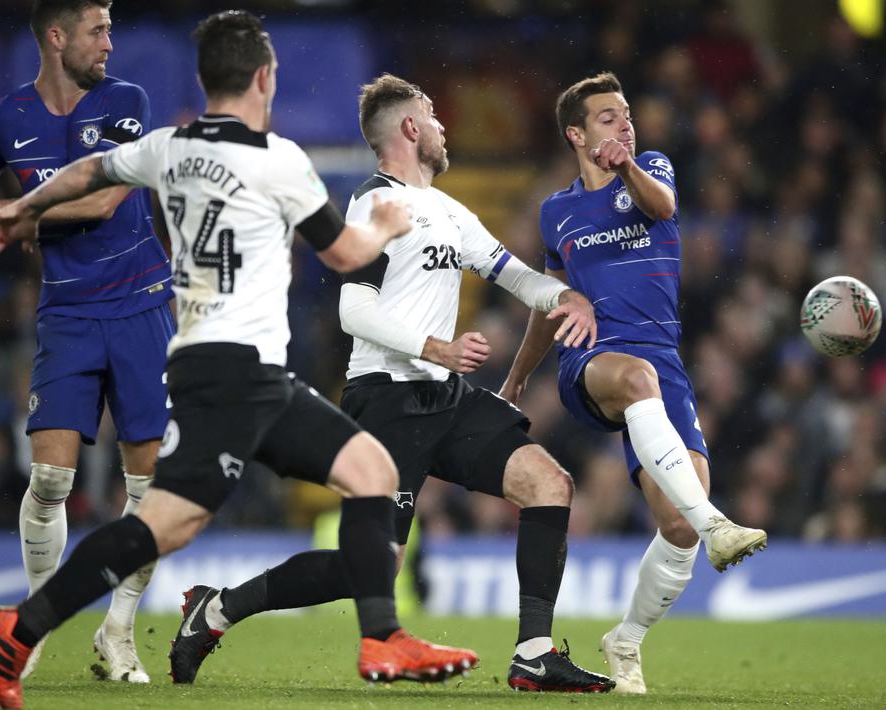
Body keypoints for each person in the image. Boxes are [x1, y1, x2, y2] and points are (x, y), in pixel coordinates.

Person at [0, 12, 477, 709]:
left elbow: (88, 170)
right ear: (264, 78)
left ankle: (17, 629)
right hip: (244, 373)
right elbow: (344, 256)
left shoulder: (169, 146)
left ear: (207, 79)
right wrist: (384, 224)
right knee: (364, 475)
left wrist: (17, 208)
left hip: (207, 366)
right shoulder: (279, 160)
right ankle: (381, 635)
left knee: (170, 523)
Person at [165, 74, 613, 693]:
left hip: (444, 395)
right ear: (410, 128)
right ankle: (216, 609)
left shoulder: (453, 212)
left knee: (548, 482)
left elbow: (518, 278)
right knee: (371, 567)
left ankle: (534, 652)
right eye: (433, 114)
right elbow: (353, 309)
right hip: (388, 397)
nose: (443, 126)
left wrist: (567, 296)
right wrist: (440, 347)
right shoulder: (377, 204)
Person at [498, 71, 768, 694]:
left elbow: (663, 208)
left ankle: (627, 638)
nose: (624, 123)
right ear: (576, 133)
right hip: (591, 360)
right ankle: (718, 524)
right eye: (607, 117)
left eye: (626, 114)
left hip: (661, 365)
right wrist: (515, 382)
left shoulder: (650, 169)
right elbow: (552, 303)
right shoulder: (556, 210)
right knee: (636, 380)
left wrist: (626, 168)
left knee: (676, 528)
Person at [0, 0, 170, 682]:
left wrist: (7, 211)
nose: (109, 43)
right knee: (49, 480)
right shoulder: (3, 120)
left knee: (148, 489)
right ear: (57, 36)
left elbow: (103, 199)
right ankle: (33, 625)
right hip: (67, 314)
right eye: (98, 30)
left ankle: (118, 630)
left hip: (142, 306)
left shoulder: (127, 100)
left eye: (111, 29)